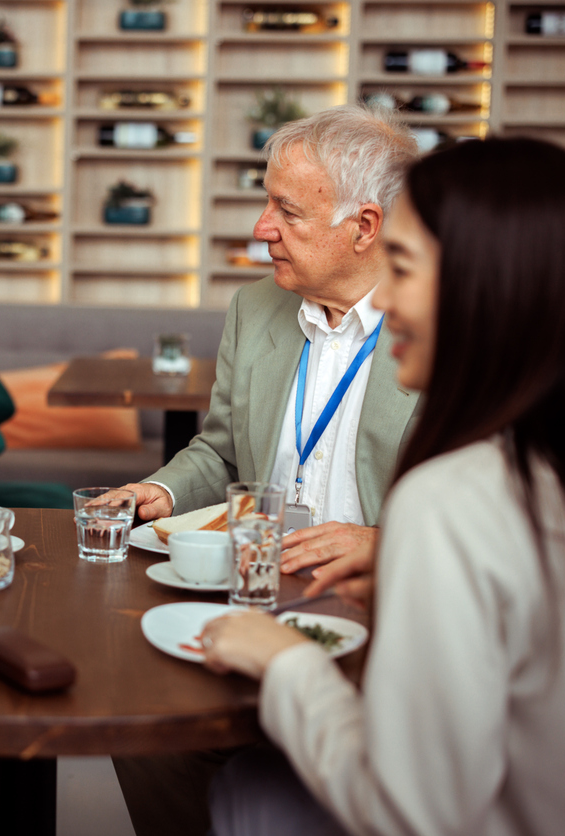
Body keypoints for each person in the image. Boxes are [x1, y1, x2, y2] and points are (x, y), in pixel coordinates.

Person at [201, 136, 565, 835]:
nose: (385, 302)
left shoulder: (451, 499)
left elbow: (413, 815)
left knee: (244, 787)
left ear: (484, 285)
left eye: (400, 267)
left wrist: (284, 663)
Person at [113, 105, 421, 836]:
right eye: (265, 202)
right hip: (251, 595)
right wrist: (157, 490)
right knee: (140, 722)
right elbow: (218, 448)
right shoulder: (257, 309)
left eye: (285, 209)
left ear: (365, 227)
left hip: (386, 615)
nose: (261, 227)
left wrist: (386, 543)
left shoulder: (438, 326)